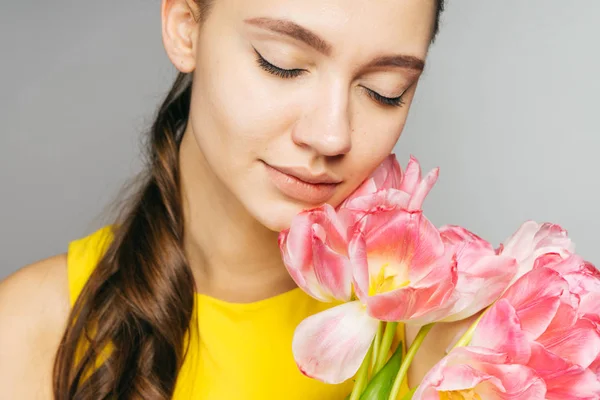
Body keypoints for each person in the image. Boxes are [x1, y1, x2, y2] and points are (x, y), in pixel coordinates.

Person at [0, 0, 466, 399]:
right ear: (186, 25)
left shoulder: (443, 354)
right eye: (282, 63)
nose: (330, 134)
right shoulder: (28, 329)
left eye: (385, 92)